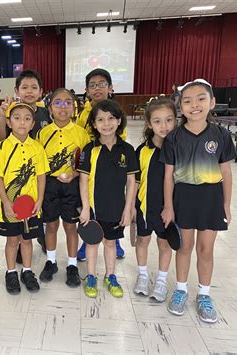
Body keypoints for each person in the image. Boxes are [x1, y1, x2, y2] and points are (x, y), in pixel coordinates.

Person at [160, 79, 235, 323]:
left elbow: (226, 173)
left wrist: (226, 204)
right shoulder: (173, 138)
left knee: (206, 249)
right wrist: (169, 206)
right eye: (188, 101)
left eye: (201, 99)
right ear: (180, 106)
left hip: (211, 198)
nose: (194, 105)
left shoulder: (221, 135)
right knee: (184, 246)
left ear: (212, 103)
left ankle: (204, 294)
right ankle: (181, 289)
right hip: (183, 197)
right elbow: (169, 176)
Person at [78, 100, 138, 298]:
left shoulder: (128, 150)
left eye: (111, 118)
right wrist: (86, 208)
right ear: (94, 124)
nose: (106, 123)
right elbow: (84, 181)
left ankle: (110, 276)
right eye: (101, 119)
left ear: (119, 120)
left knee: (110, 244)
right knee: (92, 243)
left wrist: (128, 209)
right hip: (95, 208)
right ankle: (91, 276)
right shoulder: (89, 149)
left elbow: (131, 182)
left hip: (116, 208)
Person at [0, 102, 49, 294]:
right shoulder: (1, 148)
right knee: (12, 241)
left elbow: (41, 175)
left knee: (27, 240)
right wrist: (6, 203)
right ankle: (10, 273)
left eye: (27, 118)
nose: (22, 122)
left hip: (32, 206)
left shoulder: (38, 148)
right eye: (17, 118)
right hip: (9, 207)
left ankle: (27, 270)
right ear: (8, 122)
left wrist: (40, 199)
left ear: (33, 124)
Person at [0, 69, 52, 259]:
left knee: (37, 212)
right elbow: (0, 139)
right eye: (24, 87)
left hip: (39, 172)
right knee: (15, 229)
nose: (29, 91)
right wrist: (3, 115)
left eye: (34, 87)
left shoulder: (46, 113)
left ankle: (39, 237)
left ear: (40, 91)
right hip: (16, 174)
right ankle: (18, 247)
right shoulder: (11, 113)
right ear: (17, 91)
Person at [36, 88, 90, 287]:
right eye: (58, 103)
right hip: (50, 186)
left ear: (74, 107)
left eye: (68, 102)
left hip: (72, 187)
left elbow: (85, 165)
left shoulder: (82, 134)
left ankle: (72, 265)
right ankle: (50, 262)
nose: (63, 107)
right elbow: (39, 165)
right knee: (51, 225)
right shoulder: (42, 134)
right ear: (50, 108)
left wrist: (74, 175)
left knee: (70, 226)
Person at [76, 68, 127, 261]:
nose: (97, 88)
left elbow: (120, 139)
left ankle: (115, 239)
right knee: (89, 204)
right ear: (87, 90)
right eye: (92, 85)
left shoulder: (116, 112)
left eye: (102, 84)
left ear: (110, 88)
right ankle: (88, 239)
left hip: (112, 168)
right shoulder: (83, 115)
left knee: (112, 205)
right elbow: (80, 142)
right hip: (91, 169)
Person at [133, 97, 177, 302]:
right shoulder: (142, 151)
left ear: (176, 120)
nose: (164, 126)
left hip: (168, 210)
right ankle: (142, 275)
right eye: (158, 121)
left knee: (164, 244)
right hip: (144, 208)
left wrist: (172, 208)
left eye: (169, 120)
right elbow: (134, 182)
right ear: (149, 123)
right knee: (142, 240)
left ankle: (161, 280)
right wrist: (131, 207)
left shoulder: (180, 149)